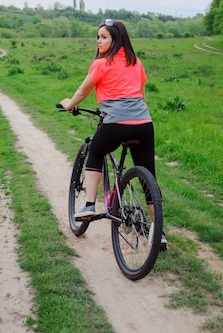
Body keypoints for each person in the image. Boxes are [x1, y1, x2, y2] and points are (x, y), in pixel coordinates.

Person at [60, 19, 166, 248]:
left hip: (116, 123)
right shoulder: (136, 62)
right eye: (98, 37)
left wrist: (69, 104)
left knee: (96, 150)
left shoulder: (101, 64)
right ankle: (160, 233)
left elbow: (83, 91)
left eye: (104, 37)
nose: (99, 41)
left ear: (116, 39)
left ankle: (88, 205)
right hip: (144, 123)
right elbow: (141, 95)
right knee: (149, 176)